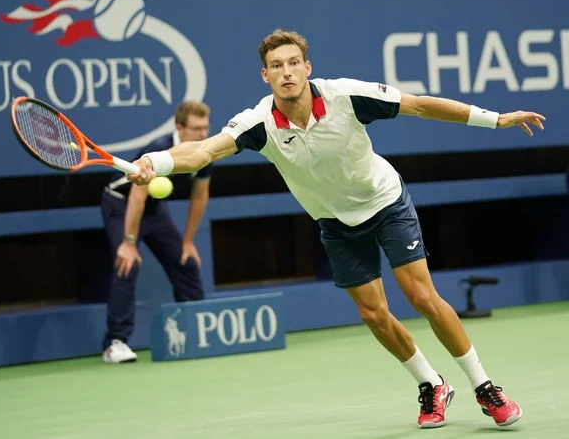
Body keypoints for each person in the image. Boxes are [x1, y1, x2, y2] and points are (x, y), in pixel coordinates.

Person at [125, 30, 545, 427]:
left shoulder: (347, 96)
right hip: (336, 221)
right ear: (265, 75)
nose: (286, 72)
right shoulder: (258, 123)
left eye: (293, 63)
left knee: (421, 296)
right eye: (277, 65)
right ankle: (432, 384)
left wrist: (496, 119)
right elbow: (201, 151)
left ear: (307, 68)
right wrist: (156, 162)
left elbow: (420, 104)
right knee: (373, 314)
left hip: (385, 201)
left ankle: (485, 388)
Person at [101, 101, 212, 363]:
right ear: (179, 127)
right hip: (120, 203)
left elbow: (200, 195)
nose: (202, 135)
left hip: (155, 210)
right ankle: (115, 343)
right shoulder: (157, 149)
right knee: (128, 263)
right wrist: (129, 243)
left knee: (186, 262)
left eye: (205, 128)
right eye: (196, 129)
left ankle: (198, 331)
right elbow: (137, 197)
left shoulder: (204, 151)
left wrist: (187, 242)